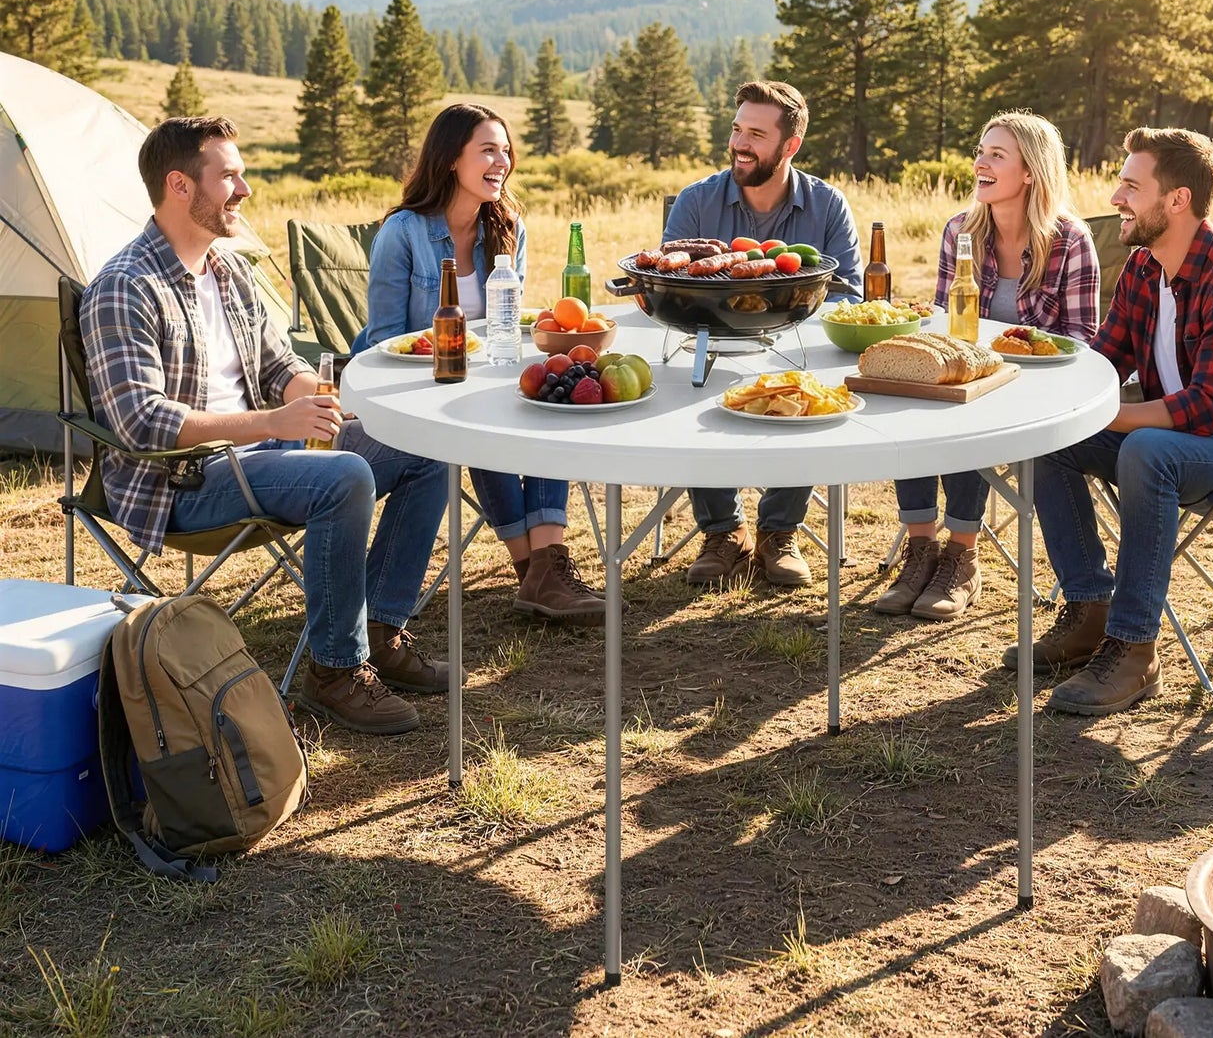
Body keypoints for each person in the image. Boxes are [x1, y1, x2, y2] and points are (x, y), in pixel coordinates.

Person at [81, 116, 450, 736]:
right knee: (344, 478)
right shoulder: (126, 287)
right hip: (181, 481)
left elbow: (280, 367)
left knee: (421, 447)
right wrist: (273, 422)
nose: (245, 189)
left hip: (261, 454)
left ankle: (383, 631)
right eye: (229, 176)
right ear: (178, 185)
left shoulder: (228, 271)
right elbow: (141, 421)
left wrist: (329, 404)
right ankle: (334, 673)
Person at [1007, 127, 1213, 716]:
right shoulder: (1145, 268)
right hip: (1187, 444)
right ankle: (1089, 609)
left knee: (1145, 451)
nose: (1114, 198)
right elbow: (1104, 359)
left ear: (1176, 200)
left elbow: (1205, 411)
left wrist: (1103, 414)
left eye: (1131, 185)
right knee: (1050, 438)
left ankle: (1134, 650)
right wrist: (1034, 381)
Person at [354, 102, 603, 625]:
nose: (502, 161)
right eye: (488, 150)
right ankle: (535, 571)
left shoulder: (507, 225)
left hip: (484, 375)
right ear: (450, 160)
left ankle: (545, 567)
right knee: (480, 416)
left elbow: (508, 326)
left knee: (545, 401)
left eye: (506, 150)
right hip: (412, 387)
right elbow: (383, 343)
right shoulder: (402, 232)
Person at [877, 111, 1100, 621]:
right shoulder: (961, 230)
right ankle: (920, 550)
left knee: (972, 411)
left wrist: (1008, 359)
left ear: (1030, 172)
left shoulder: (1070, 240)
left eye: (996, 155)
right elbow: (940, 323)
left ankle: (962, 556)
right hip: (970, 376)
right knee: (910, 395)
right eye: (981, 151)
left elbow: (1082, 342)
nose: (980, 162)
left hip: (1035, 394)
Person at [662, 79, 863, 588]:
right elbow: (673, 285)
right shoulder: (695, 202)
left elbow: (850, 296)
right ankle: (723, 531)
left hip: (796, 346)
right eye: (736, 129)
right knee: (692, 380)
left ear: (790, 146)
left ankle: (779, 530)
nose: (739, 143)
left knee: (809, 389)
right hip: (709, 341)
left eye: (755, 133)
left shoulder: (827, 205)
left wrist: (787, 321)